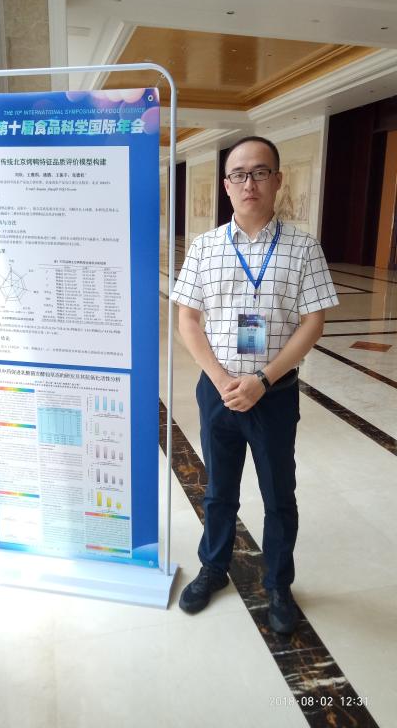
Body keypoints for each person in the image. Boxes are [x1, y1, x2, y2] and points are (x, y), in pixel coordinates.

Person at [171, 136, 339, 634]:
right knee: (219, 491)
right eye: (239, 174)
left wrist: (263, 380)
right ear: (226, 185)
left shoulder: (303, 248)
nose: (249, 183)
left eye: (260, 172)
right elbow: (188, 320)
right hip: (218, 391)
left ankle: (278, 585)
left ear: (278, 180)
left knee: (278, 494)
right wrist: (223, 379)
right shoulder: (204, 247)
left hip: (275, 394)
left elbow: (313, 322)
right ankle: (213, 567)